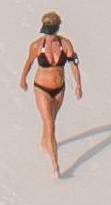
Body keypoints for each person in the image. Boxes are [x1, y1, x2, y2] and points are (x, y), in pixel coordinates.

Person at [20, 14, 82, 175]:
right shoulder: (36, 46)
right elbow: (28, 63)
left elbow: (73, 65)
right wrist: (23, 79)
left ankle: (44, 142)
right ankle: (56, 165)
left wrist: (78, 85)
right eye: (46, 32)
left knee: (51, 119)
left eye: (50, 32)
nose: (47, 36)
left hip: (59, 88)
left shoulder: (65, 44)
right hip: (42, 88)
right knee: (50, 123)